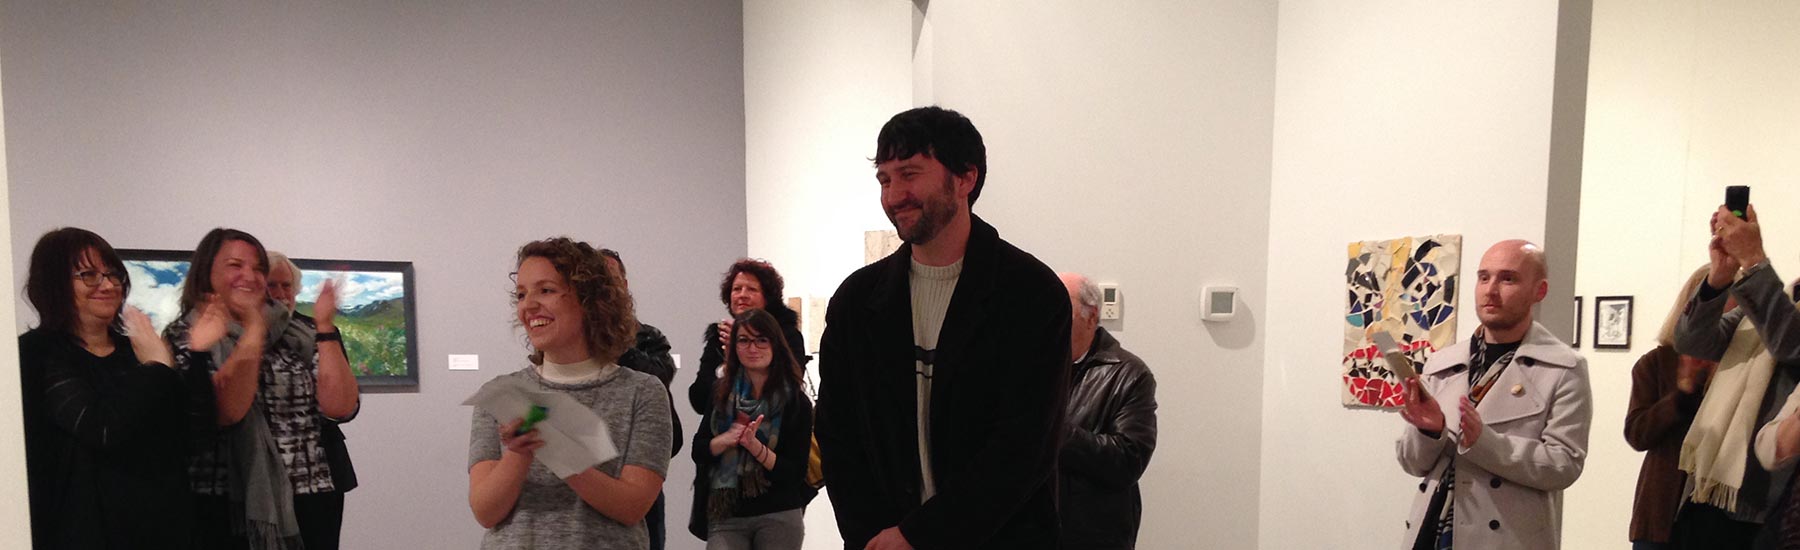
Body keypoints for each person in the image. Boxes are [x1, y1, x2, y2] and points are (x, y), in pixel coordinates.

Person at [815, 106, 1072, 549]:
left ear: (965, 178)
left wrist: (918, 536)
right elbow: (839, 435)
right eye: (885, 179)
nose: (894, 195)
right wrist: (873, 536)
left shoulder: (1032, 294)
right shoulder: (856, 302)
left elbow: (1023, 447)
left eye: (910, 174)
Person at [18, 227, 217, 549]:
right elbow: (101, 427)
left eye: (113, 274)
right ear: (54, 283)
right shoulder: (36, 352)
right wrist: (156, 366)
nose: (109, 285)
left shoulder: (135, 350)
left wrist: (197, 355)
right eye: (89, 275)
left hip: (162, 527)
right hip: (85, 531)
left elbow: (194, 435)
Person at [468, 237, 672, 549]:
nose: (528, 305)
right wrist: (520, 453)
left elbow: (632, 507)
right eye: (521, 294)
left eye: (546, 290)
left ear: (590, 300)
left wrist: (560, 451)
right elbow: (485, 511)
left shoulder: (642, 393)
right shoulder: (501, 394)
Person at [166, 229, 360, 550]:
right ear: (207, 271)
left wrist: (325, 328)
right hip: (226, 499)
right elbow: (227, 412)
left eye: (258, 268)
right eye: (235, 265)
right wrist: (254, 330)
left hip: (311, 493)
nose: (250, 275)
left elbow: (341, 408)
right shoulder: (187, 334)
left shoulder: (301, 331)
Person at [1397, 239, 1592, 550]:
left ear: (1539, 291)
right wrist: (1429, 431)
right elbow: (1412, 463)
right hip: (1433, 531)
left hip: (1507, 539)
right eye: (1483, 277)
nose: (1490, 290)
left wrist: (1486, 443)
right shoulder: (1443, 363)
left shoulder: (1563, 367)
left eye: (1508, 279)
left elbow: (1564, 465)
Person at [1677, 204, 1800, 548]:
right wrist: (1719, 277)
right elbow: (1693, 342)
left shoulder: (1774, 303)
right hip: (1714, 490)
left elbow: (1791, 345)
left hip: (1771, 501)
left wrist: (1754, 260)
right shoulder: (1783, 298)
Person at [689, 308, 816, 549]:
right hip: (727, 513)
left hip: (778, 512)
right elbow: (699, 450)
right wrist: (725, 439)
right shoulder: (720, 393)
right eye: (744, 340)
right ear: (734, 347)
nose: (752, 348)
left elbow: (795, 473)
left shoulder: (795, 401)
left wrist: (756, 448)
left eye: (761, 340)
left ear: (775, 344)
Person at [1055, 272, 1158, 550]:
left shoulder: (1130, 375)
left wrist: (1054, 433)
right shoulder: (1036, 368)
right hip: (1035, 530)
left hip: (1094, 534)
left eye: (1062, 309)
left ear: (1091, 316)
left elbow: (1128, 460)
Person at [266, 251, 361, 542]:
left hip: (321, 477)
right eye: (272, 285)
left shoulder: (318, 330)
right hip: (260, 476)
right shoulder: (237, 335)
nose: (281, 294)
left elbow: (345, 409)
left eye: (287, 286)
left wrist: (326, 328)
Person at [1626, 266, 1720, 549]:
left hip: (1723, 516)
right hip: (1663, 513)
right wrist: (1681, 394)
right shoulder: (1656, 363)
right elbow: (1637, 434)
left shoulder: (1745, 366)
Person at [602, 247, 683, 550]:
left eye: (611, 278)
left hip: (640, 461)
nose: (605, 287)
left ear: (624, 284)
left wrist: (617, 342)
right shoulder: (577, 342)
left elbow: (660, 376)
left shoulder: (648, 337)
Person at [689, 258, 807, 416]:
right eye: (737, 289)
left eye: (752, 289)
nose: (742, 295)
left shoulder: (787, 335)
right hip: (724, 425)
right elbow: (699, 399)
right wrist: (726, 366)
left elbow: (788, 388)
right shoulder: (720, 337)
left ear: (767, 298)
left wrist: (739, 355)